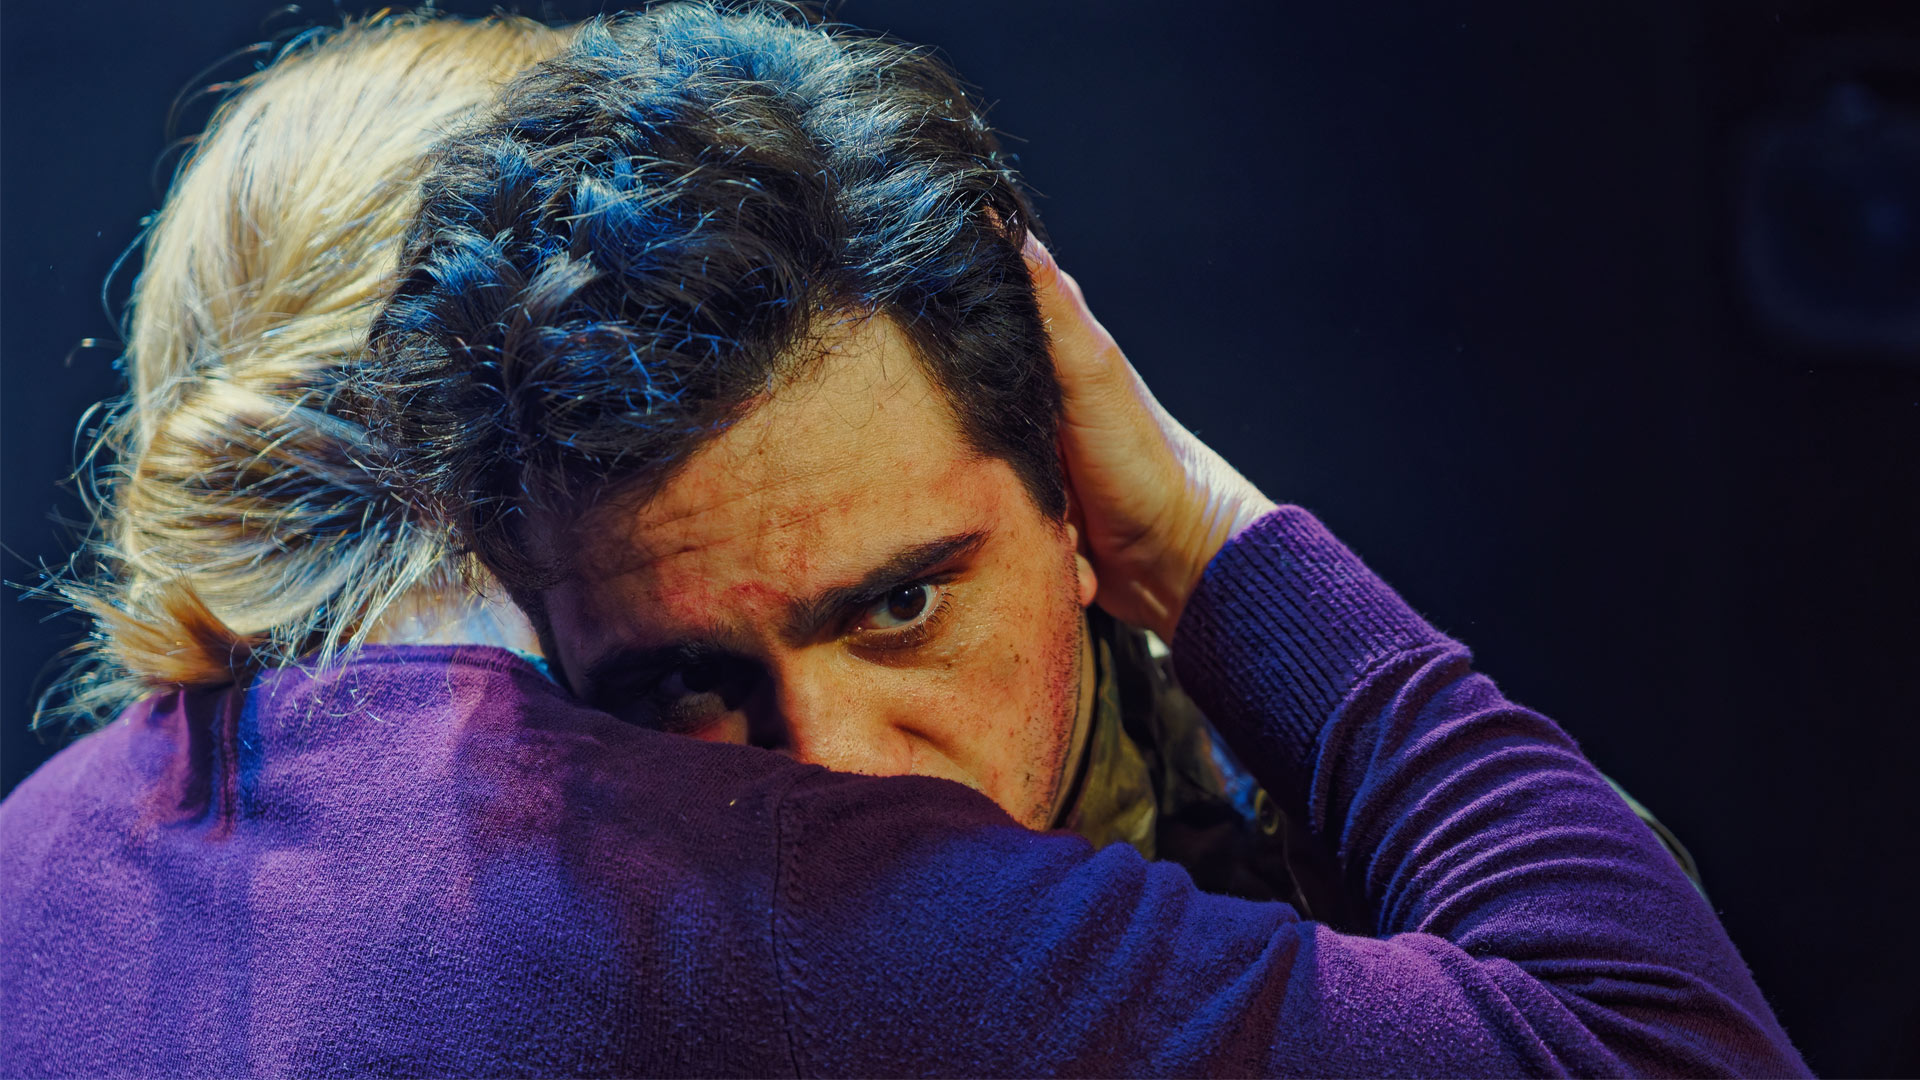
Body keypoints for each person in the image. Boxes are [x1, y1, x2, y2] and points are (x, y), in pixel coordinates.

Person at [0, 5, 1805, 1077]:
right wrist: (1214, 538)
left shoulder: (42, 863)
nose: (832, 763)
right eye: (681, 678)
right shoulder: (713, 890)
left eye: (906, 603)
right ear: (501, 485)